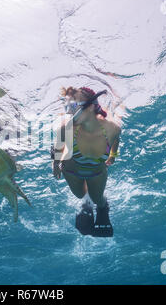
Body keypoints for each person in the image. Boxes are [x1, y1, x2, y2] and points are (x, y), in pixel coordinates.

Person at [51, 86, 121, 237]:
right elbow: (58, 146)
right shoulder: (66, 128)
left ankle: (102, 208)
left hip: (96, 171)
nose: (69, 111)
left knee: (98, 199)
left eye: (74, 106)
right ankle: (86, 205)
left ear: (90, 106)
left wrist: (113, 155)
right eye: (67, 106)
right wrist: (55, 164)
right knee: (79, 195)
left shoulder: (112, 129)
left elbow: (116, 140)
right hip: (71, 169)